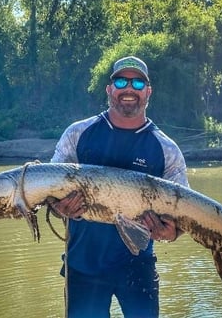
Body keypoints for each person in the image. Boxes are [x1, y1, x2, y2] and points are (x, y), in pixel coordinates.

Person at [50, 56, 189, 318]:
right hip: (83, 267)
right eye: (121, 81)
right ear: (109, 89)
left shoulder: (167, 150)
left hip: (139, 267)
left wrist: (172, 232)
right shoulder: (77, 134)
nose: (129, 89)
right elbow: (51, 194)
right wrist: (59, 207)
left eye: (137, 83)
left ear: (148, 91)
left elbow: (182, 218)